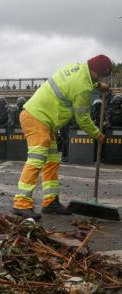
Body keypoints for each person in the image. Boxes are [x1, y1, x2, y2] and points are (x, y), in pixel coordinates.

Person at [13, 54, 111, 220]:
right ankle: (21, 204)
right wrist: (98, 134)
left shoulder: (77, 67)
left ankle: (50, 202)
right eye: (101, 75)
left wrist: (97, 85)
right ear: (95, 70)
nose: (102, 77)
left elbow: (79, 83)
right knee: (37, 160)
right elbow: (83, 119)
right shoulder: (83, 88)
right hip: (36, 118)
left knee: (51, 161)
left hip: (44, 120)